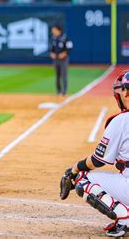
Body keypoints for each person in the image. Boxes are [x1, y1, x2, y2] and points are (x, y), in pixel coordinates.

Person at [60, 71, 129, 237]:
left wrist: (75, 168)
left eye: (120, 90)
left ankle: (124, 219)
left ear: (126, 92)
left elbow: (98, 161)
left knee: (82, 180)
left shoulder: (120, 121)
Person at [50, 24, 73, 96]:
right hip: (56, 59)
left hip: (64, 60)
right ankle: (58, 91)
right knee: (57, 76)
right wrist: (52, 53)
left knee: (64, 75)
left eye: (54, 29)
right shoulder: (53, 38)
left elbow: (70, 47)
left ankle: (64, 91)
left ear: (58, 30)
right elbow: (51, 48)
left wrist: (64, 53)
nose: (52, 31)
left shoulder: (65, 38)